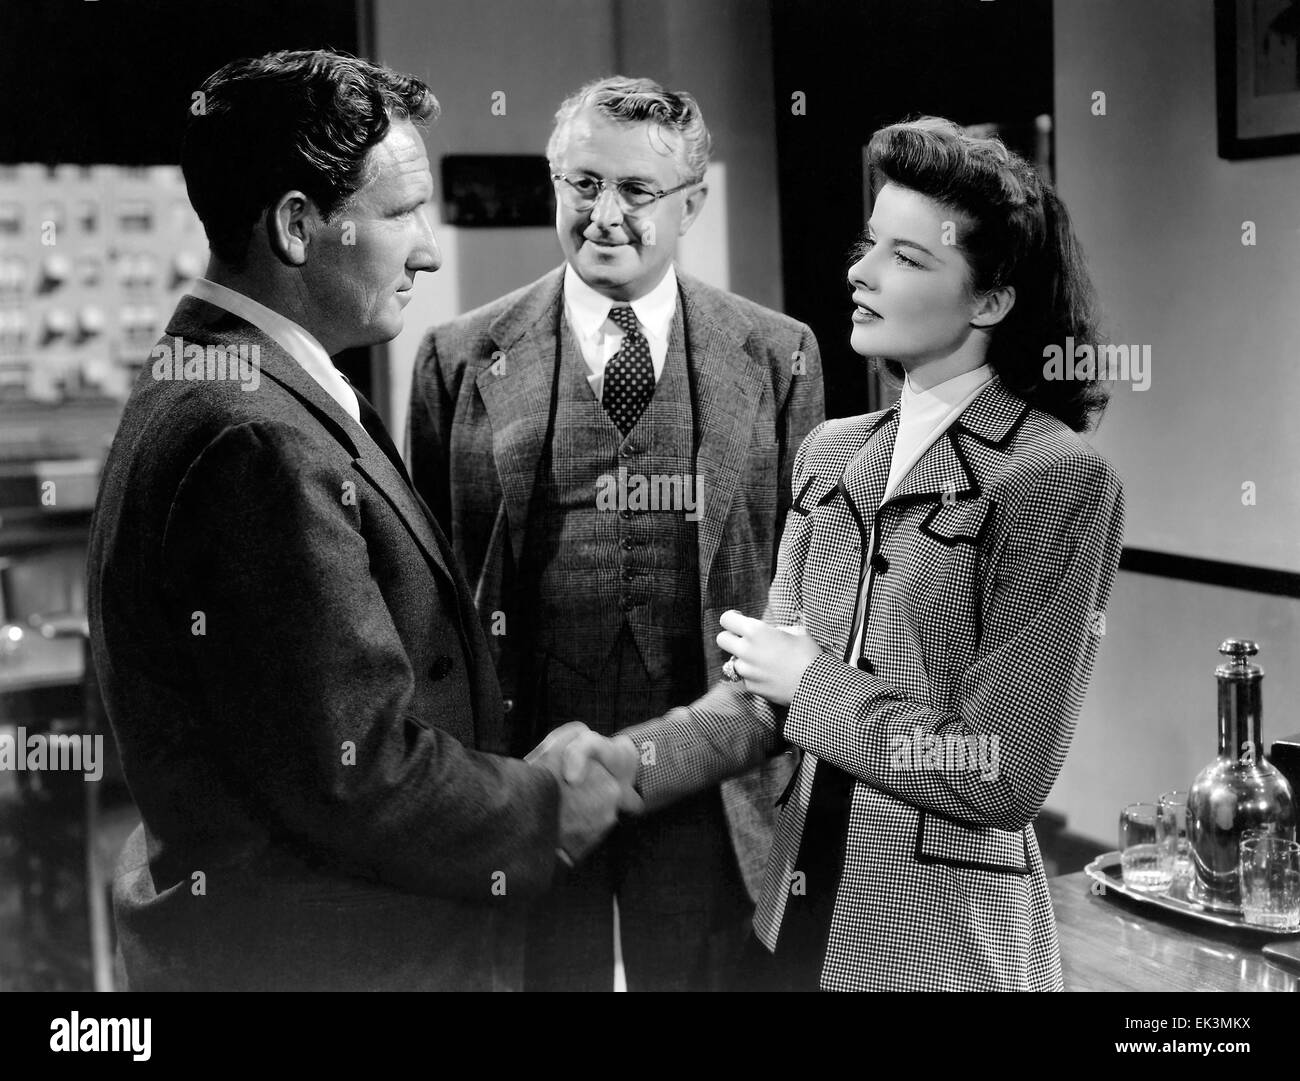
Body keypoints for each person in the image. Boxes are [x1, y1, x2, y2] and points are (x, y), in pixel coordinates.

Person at [86, 49, 637, 992]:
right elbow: (357, 773)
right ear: (299, 227)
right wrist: (545, 805)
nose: (427, 246)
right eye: (399, 214)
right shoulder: (252, 437)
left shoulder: (233, 382)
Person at [560, 116, 1126, 991]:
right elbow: (761, 703)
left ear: (991, 300)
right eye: (870, 243)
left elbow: (1000, 771)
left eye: (907, 256)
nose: (860, 272)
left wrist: (809, 679)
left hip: (937, 948)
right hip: (789, 917)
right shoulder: (832, 450)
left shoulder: (1056, 477)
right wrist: (629, 762)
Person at [407, 76, 824, 991]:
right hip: (527, 776)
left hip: (709, 773)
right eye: (583, 183)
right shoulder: (456, 358)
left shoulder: (781, 354)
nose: (605, 215)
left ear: (693, 204)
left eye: (637, 191)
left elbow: (806, 588)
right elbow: (431, 608)